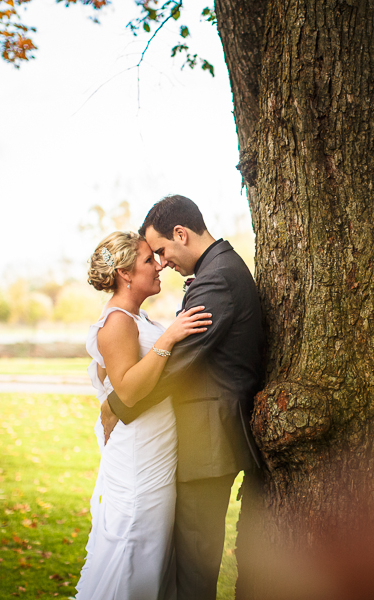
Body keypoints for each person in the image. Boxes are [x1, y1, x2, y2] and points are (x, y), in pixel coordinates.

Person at [101, 195, 264, 600]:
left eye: (160, 251)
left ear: (181, 233)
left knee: (193, 568)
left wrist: (118, 405)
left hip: (207, 444)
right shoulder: (218, 270)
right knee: (184, 563)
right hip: (201, 441)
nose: (162, 262)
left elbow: (179, 362)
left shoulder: (217, 279)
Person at [75, 230, 213, 600]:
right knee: (133, 553)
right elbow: (129, 391)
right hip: (138, 460)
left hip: (156, 454)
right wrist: (169, 339)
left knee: (152, 560)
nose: (159, 266)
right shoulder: (117, 322)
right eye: (149, 260)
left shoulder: (138, 318)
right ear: (124, 273)